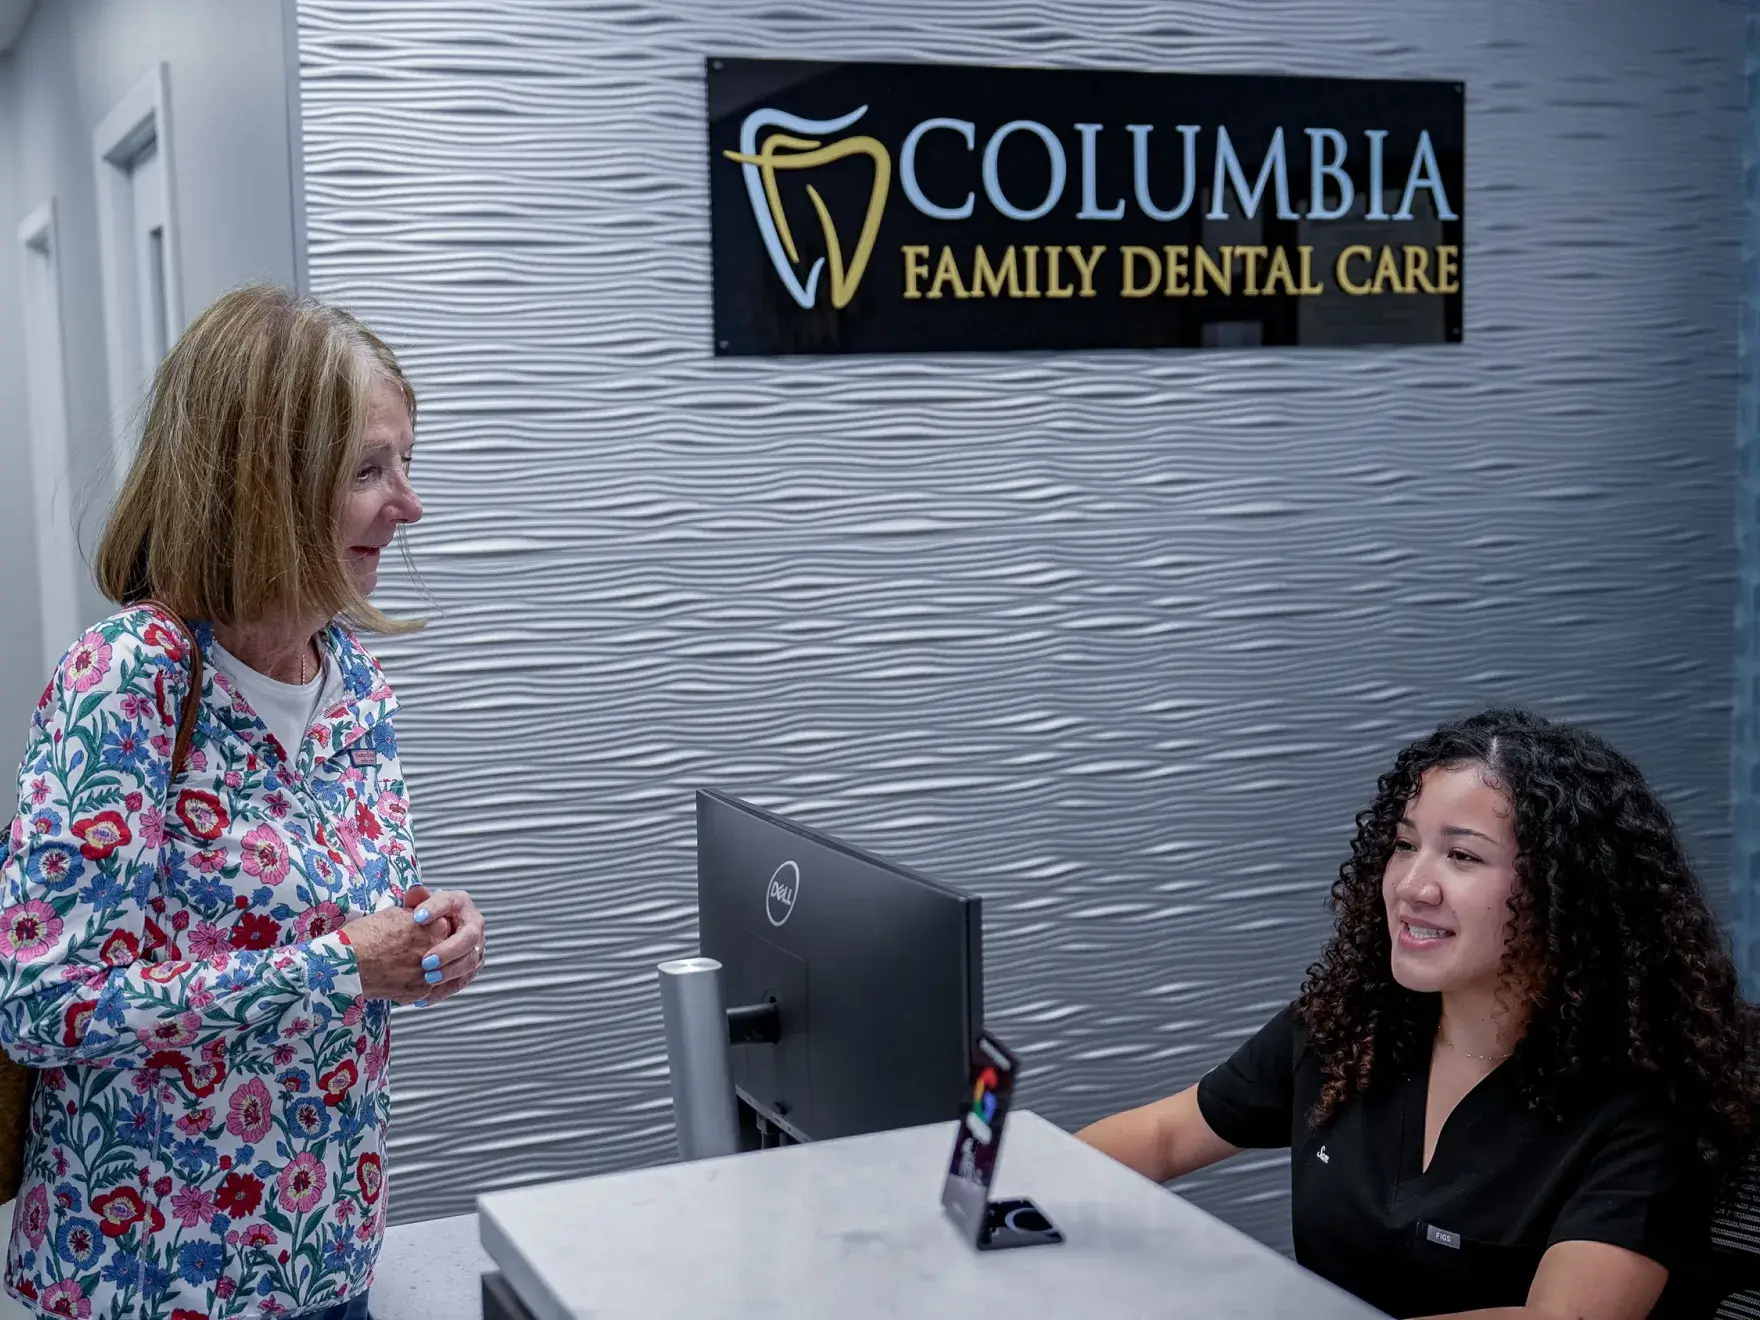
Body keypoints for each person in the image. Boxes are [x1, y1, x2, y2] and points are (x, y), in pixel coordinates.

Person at [0, 284, 487, 1320]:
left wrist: (424, 941)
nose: (408, 503)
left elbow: (343, 939)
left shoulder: (357, 686)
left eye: (405, 464)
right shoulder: (127, 676)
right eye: (368, 470)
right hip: (147, 1282)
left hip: (323, 1262)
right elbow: (40, 1003)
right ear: (268, 483)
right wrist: (337, 965)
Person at [1077, 708, 1758, 1320]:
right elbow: (1167, 1135)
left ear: (1566, 894)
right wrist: (1000, 1195)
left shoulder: (1646, 1098)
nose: (1411, 885)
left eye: (1462, 856)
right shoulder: (1351, 1025)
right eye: (1405, 845)